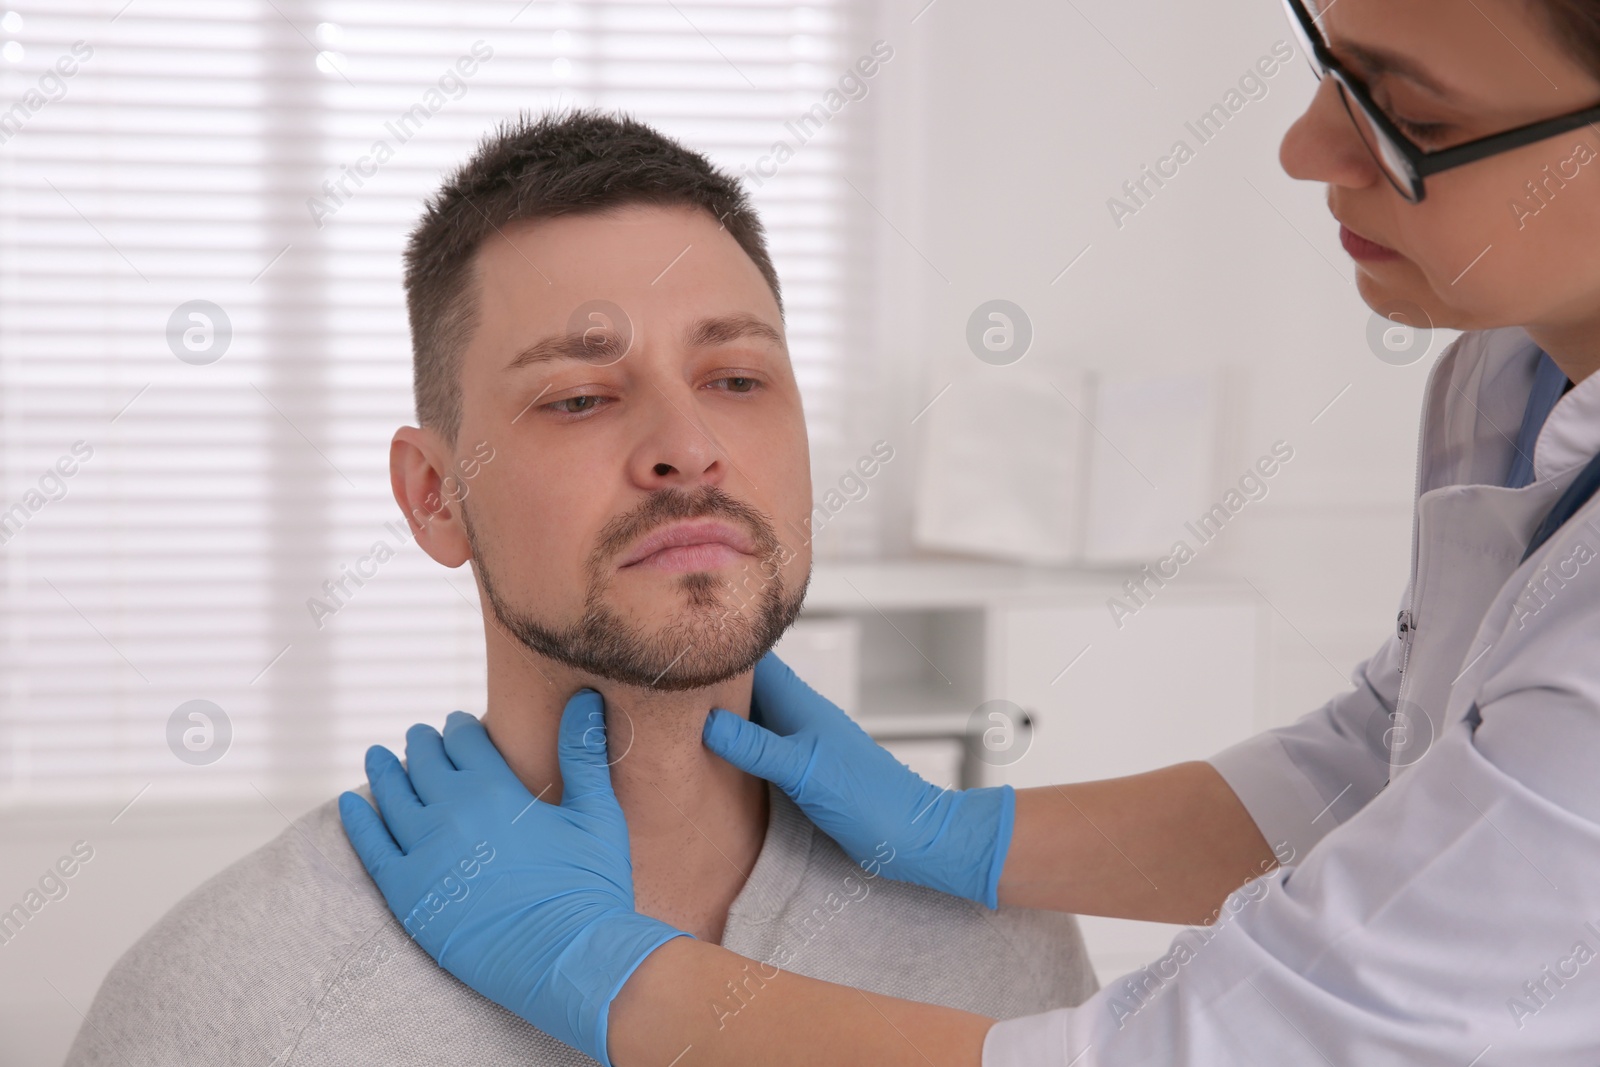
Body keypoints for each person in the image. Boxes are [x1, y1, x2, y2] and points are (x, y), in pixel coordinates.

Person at [338, 0, 1600, 1064]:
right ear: (431, 492)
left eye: (1412, 119)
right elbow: (1407, 754)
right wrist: (968, 837)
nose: (1300, 144)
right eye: (575, 395)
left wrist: (608, 971)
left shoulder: (995, 967)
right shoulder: (1505, 371)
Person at [60, 112, 1098, 1067]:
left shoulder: (992, 931)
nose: (687, 449)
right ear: (435, 497)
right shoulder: (228, 1002)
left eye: (736, 379)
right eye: (579, 396)